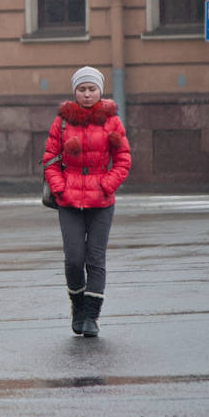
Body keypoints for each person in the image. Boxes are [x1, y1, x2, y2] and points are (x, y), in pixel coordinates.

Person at [43, 66, 131, 337]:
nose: (87, 93)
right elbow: (50, 159)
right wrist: (60, 188)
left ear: (99, 91)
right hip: (69, 201)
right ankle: (78, 307)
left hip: (102, 201)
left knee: (95, 259)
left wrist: (107, 184)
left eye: (92, 88)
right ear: (75, 92)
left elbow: (123, 159)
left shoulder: (112, 121)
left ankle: (91, 317)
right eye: (82, 89)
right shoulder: (63, 122)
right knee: (73, 260)